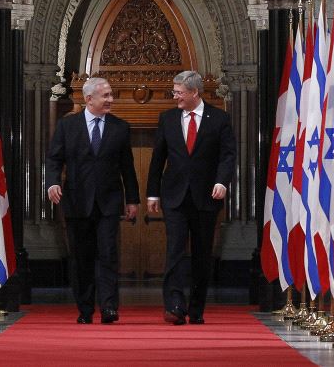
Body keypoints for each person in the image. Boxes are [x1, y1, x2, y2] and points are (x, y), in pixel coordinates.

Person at [45, 77, 140, 324]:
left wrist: (133, 200)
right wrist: (53, 182)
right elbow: (54, 159)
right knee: (81, 258)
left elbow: (127, 168)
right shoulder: (68, 126)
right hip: (77, 202)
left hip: (109, 202)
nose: (110, 99)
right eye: (105, 95)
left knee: (108, 255)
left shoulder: (120, 127)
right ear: (89, 99)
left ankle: (109, 307)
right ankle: (85, 309)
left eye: (111, 95)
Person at [146, 70, 236, 325]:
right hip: (174, 196)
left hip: (206, 197)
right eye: (174, 92)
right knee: (174, 250)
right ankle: (174, 306)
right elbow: (157, 159)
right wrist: (152, 193)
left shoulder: (219, 119)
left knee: (201, 254)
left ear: (195, 92)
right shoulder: (168, 118)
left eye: (179, 92)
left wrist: (221, 182)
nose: (175, 96)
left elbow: (228, 156)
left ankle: (196, 309)